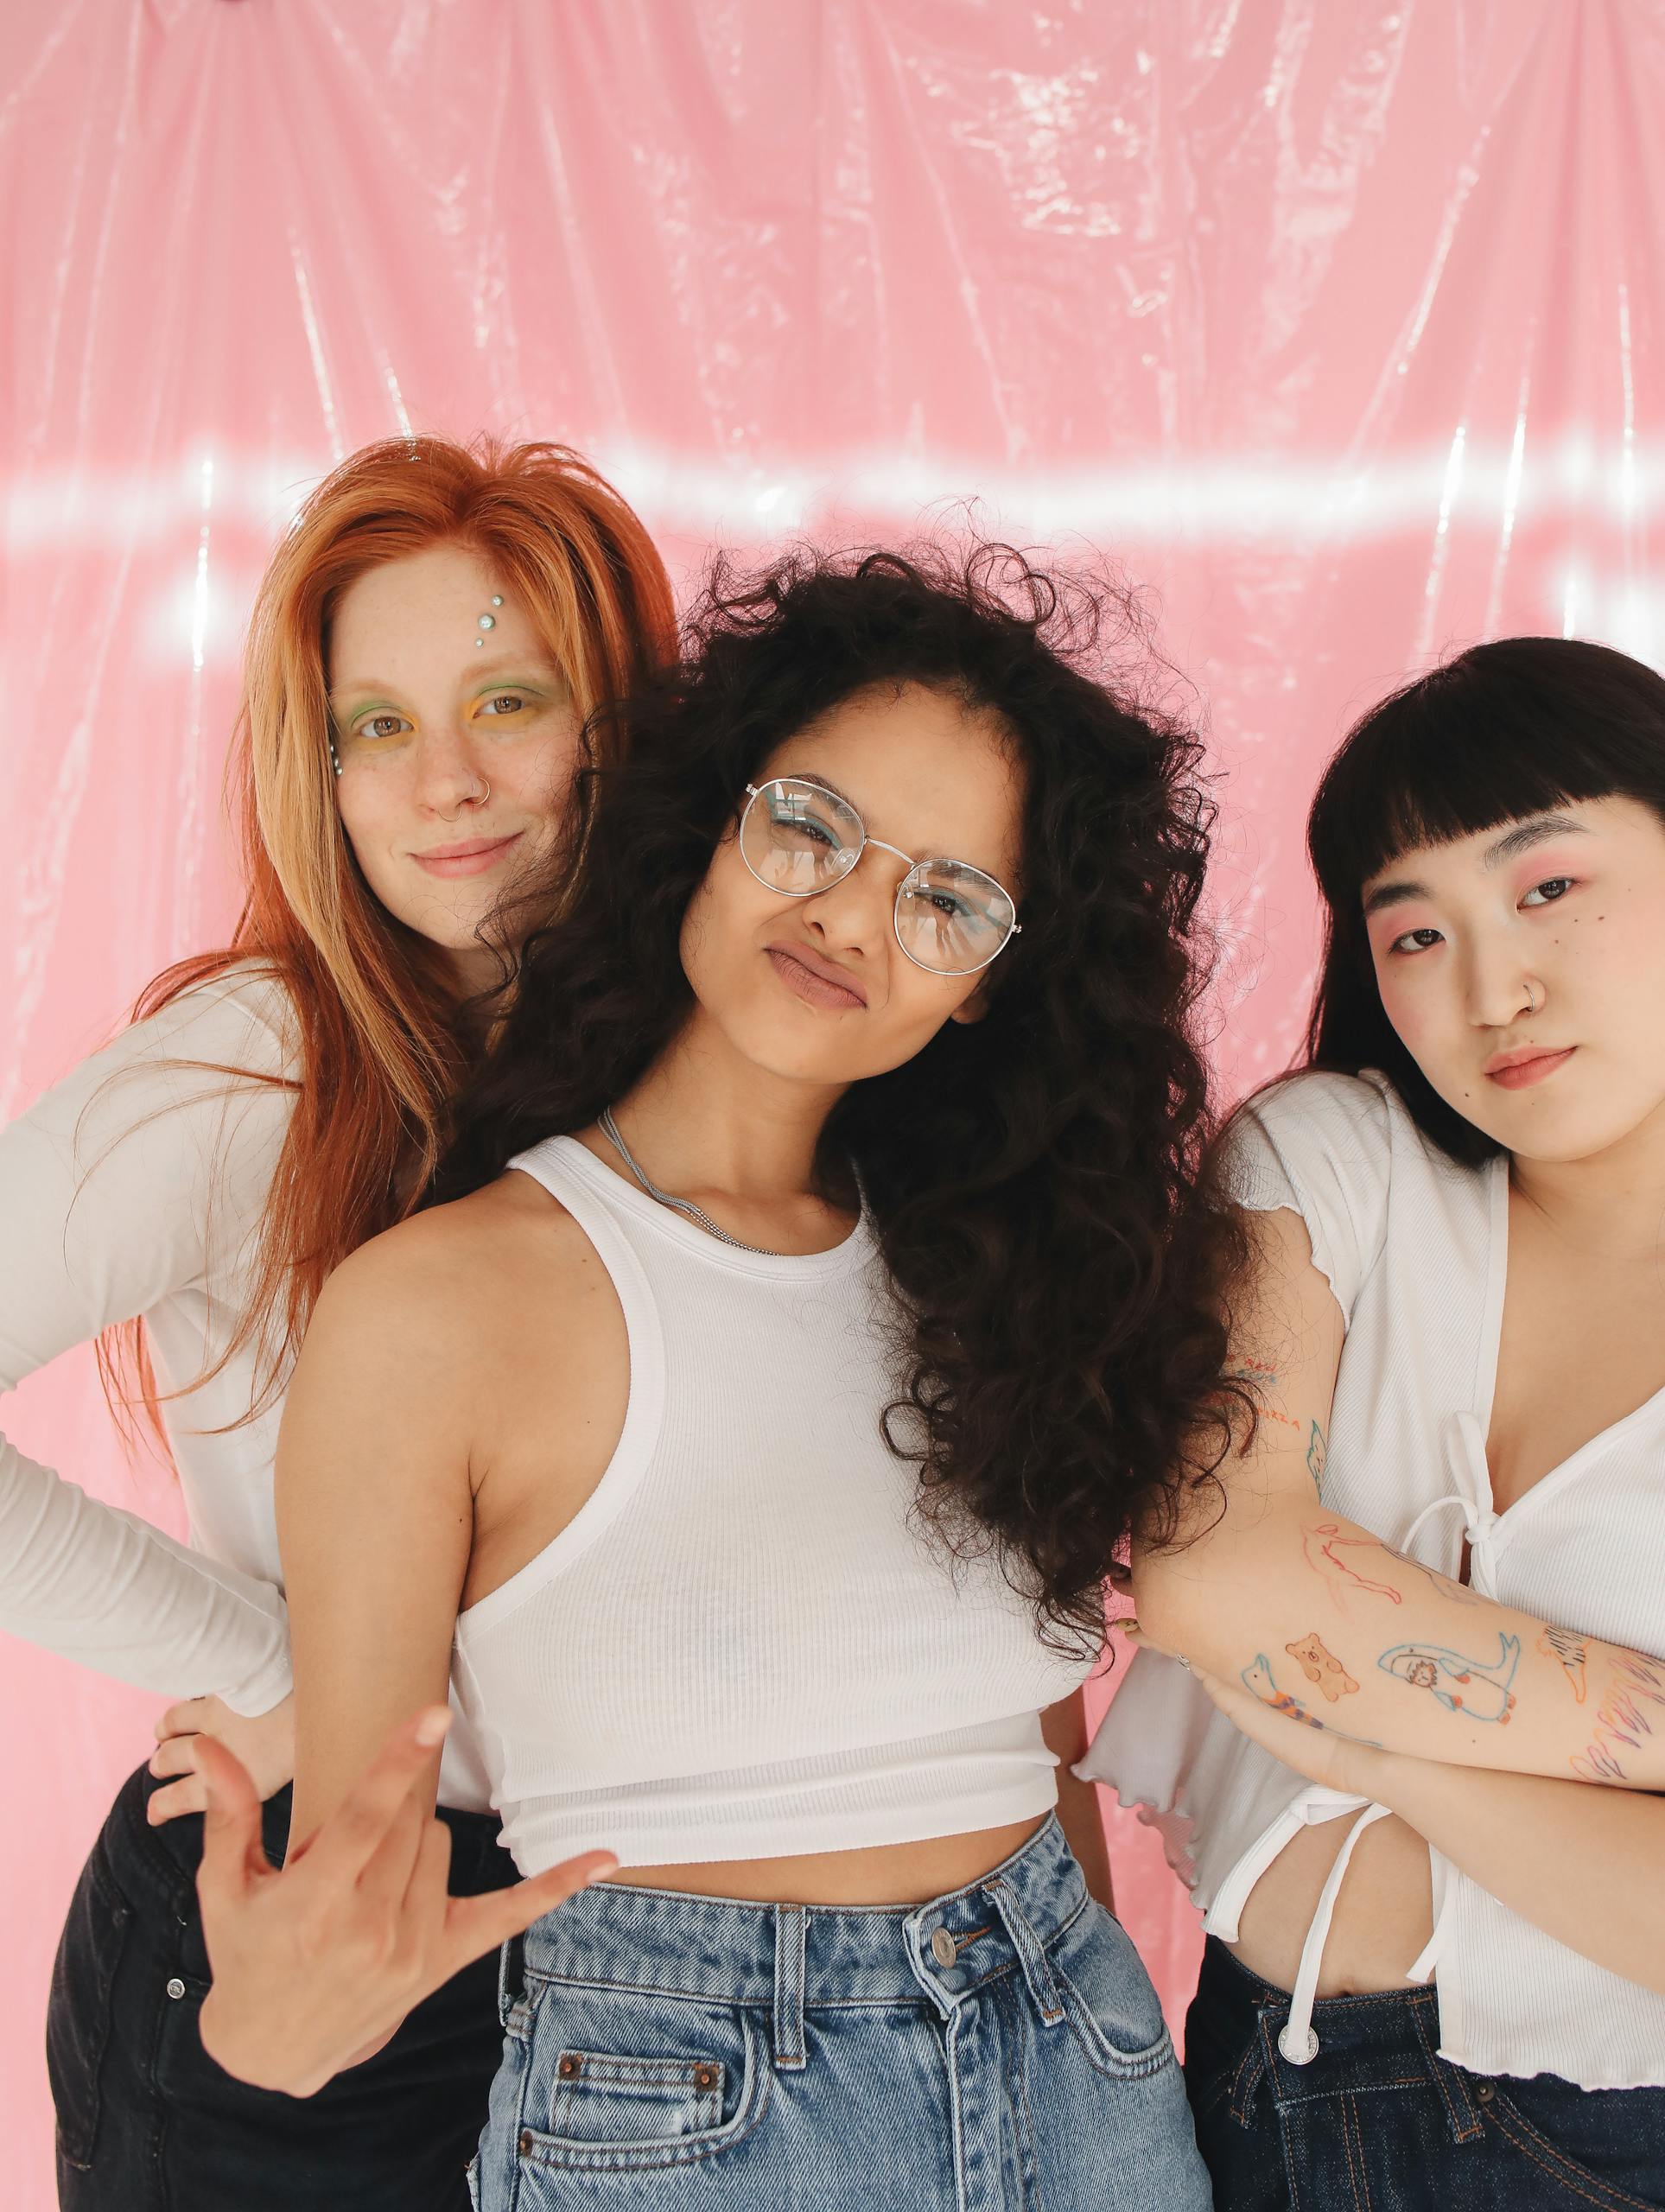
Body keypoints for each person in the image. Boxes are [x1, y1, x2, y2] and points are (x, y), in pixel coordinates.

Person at [193, 543, 1239, 2209]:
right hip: (684, 2107)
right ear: (708, 820)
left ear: (991, 988)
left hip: (1079, 2061)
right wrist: (269, 2015)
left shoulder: (1001, 1295)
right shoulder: (435, 1311)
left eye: (946, 898)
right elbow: (335, 1941)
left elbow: (1042, 1768)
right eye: (811, 825)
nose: (849, 912)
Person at [24, 432, 675, 2210]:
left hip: (636, 1957)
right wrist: (266, 1667)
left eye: (508, 698)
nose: (446, 779)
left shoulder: (703, 1078)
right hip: (298, 1929)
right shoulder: (252, 1063)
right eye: (375, 722)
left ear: (625, 723)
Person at [1087, 637, 1665, 2209]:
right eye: (1414, 931)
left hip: (1609, 2139)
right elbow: (1217, 1580)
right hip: (1248, 2095)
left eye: (1548, 888)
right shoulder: (1335, 1162)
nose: (1495, 989)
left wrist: (1396, 1754)